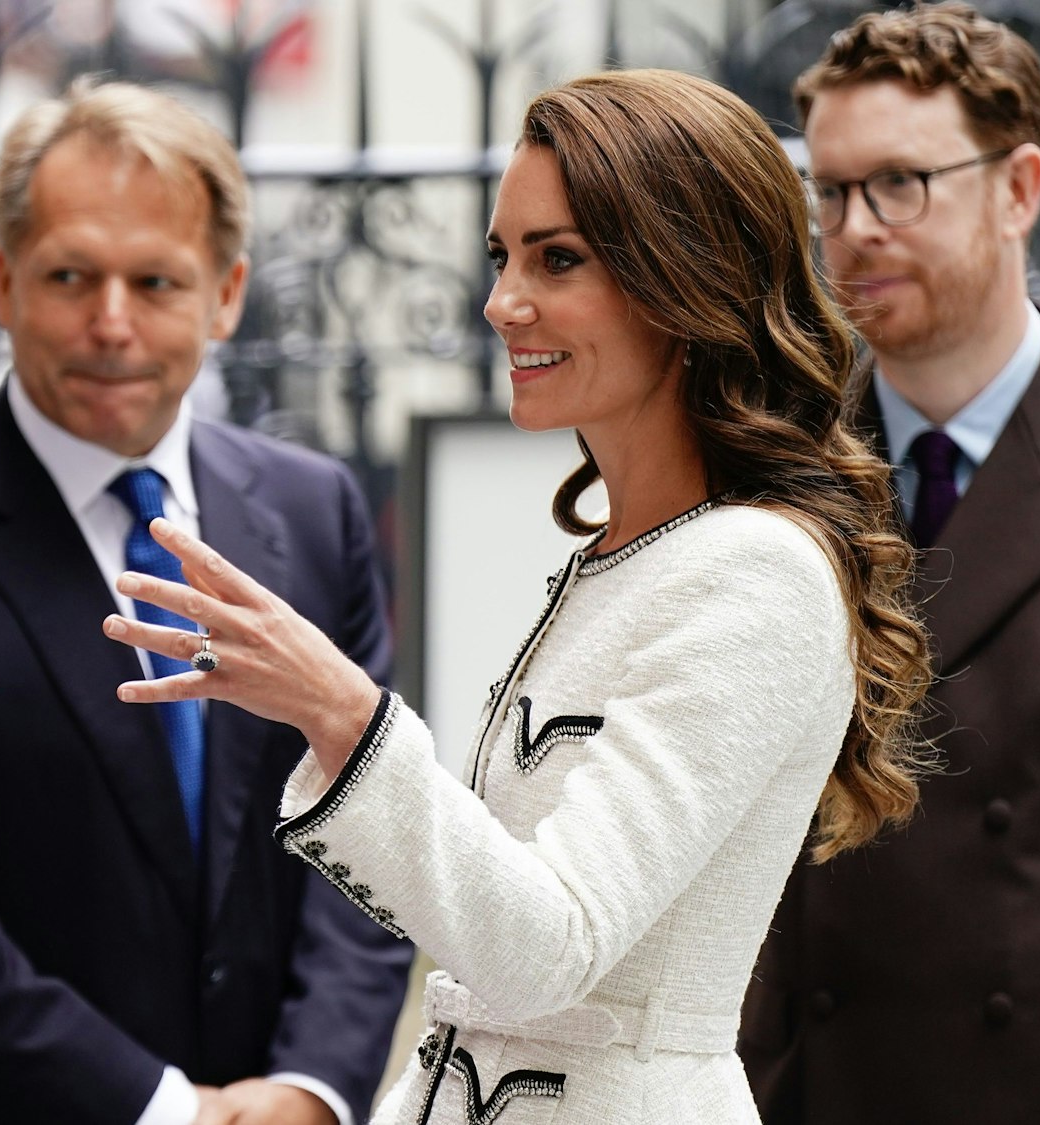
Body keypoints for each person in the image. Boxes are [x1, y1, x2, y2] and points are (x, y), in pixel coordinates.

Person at [101, 69, 932, 1124]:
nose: (502, 301)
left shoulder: (754, 574)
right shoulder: (624, 553)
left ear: (684, 278)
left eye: (557, 259)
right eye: (502, 255)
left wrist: (337, 708)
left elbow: (548, 950)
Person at [0, 79, 414, 1125]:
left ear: (225, 295)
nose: (110, 323)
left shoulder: (315, 513)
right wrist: (167, 1111)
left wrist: (309, 1089)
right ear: (2, 280)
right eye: (70, 275)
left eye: (156, 281)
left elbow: (369, 822)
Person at [741, 5, 1040, 1121]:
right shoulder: (770, 474)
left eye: (897, 185)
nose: (852, 229)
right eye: (828, 192)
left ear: (1018, 189)